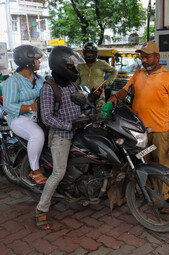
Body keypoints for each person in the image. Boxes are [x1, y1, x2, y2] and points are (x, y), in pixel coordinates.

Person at [34, 46, 97, 230]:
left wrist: (91, 98)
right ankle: (41, 208)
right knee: (58, 172)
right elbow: (47, 117)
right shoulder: (48, 88)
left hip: (79, 130)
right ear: (60, 66)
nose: (74, 69)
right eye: (70, 66)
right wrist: (69, 125)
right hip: (61, 135)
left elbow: (81, 100)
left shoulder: (72, 84)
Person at [106, 41, 169, 170]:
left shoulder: (168, 76)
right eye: (142, 57)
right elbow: (125, 90)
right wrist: (114, 97)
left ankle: (163, 191)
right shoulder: (138, 74)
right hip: (140, 130)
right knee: (144, 163)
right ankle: (147, 189)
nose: (144, 60)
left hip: (160, 131)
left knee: (161, 164)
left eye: (147, 57)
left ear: (157, 57)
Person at [2, 45, 47, 185]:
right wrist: (30, 107)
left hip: (40, 116)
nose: (39, 62)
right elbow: (8, 106)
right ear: (28, 61)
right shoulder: (12, 81)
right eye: (37, 60)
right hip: (19, 118)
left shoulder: (39, 79)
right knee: (37, 134)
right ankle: (35, 171)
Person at [76, 42, 117, 111]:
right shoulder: (80, 65)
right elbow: (77, 81)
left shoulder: (101, 63)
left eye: (91, 53)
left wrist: (107, 83)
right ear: (84, 53)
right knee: (83, 118)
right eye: (87, 52)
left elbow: (114, 71)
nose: (89, 55)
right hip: (85, 98)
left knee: (101, 117)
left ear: (95, 53)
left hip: (99, 97)